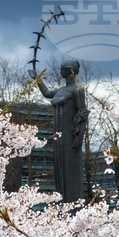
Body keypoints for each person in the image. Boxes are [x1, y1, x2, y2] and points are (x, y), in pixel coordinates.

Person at [36, 59, 89, 203]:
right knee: (59, 168)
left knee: (70, 168)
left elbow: (83, 114)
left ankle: (73, 203)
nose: (60, 71)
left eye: (62, 69)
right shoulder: (61, 90)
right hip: (58, 135)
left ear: (69, 70)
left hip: (70, 135)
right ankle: (62, 203)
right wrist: (37, 79)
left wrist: (79, 138)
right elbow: (47, 93)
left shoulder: (77, 90)